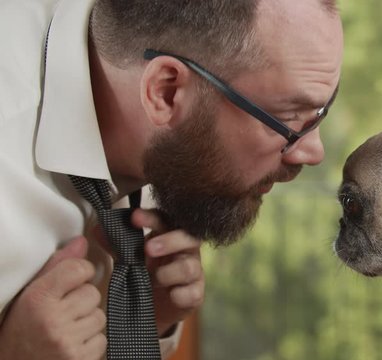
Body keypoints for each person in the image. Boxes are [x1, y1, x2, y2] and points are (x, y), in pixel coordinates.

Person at [0, 0, 343, 358]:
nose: (313, 152)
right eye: (288, 117)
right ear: (166, 92)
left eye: (320, 111)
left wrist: (142, 319)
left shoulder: (134, 91)